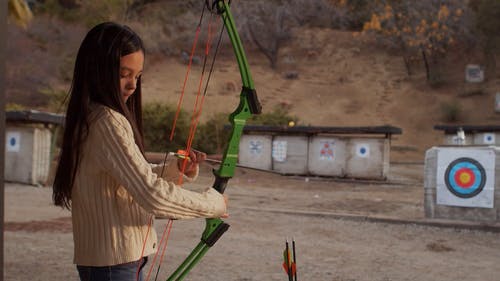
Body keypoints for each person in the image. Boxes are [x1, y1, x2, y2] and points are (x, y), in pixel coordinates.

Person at [52, 22, 227, 281]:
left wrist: (174, 169)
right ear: (97, 70)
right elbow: (151, 195)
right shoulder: (107, 122)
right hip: (115, 267)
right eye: (124, 74)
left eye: (137, 75)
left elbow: (124, 179)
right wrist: (213, 203)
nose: (133, 85)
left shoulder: (92, 117)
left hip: (112, 264)